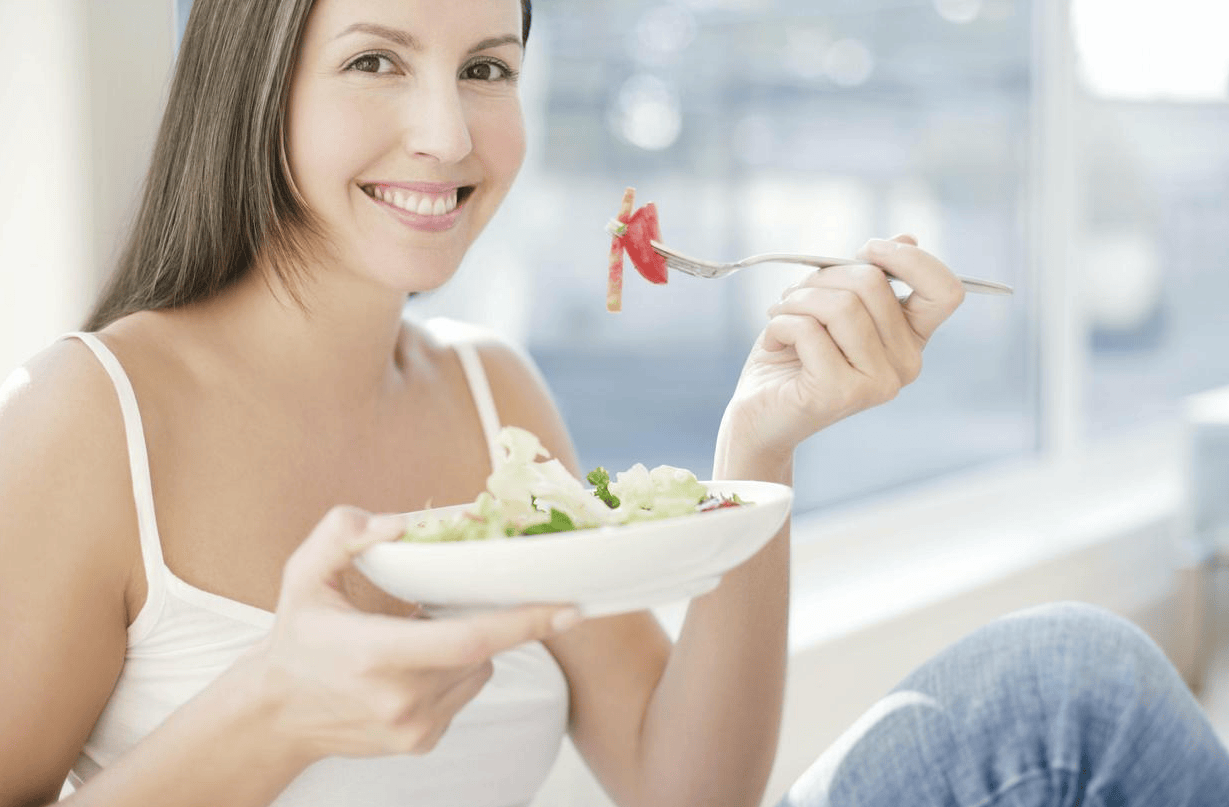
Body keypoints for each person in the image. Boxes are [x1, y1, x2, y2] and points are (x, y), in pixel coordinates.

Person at [1, 0, 1226, 805]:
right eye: (376, 60)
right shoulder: (93, 413)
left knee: (1072, 689)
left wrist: (761, 450)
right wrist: (275, 710)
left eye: (487, 69)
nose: (446, 131)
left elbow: (681, 787)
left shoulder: (494, 397)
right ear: (253, 83)